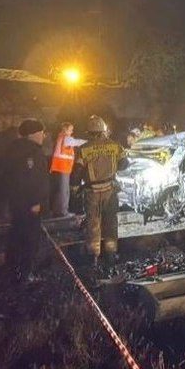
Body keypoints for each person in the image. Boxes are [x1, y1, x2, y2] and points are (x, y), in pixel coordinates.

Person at [73, 115, 128, 276]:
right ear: (104, 130)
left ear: (90, 132)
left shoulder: (84, 149)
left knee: (93, 224)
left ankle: (93, 259)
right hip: (110, 190)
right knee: (111, 223)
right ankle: (111, 256)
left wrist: (75, 188)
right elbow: (124, 164)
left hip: (92, 192)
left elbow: (77, 172)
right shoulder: (115, 146)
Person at [1, 119, 50, 283]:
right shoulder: (34, 152)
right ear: (33, 134)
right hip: (31, 205)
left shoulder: (12, 149)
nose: (44, 135)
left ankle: (12, 270)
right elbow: (36, 180)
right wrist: (37, 202)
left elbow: (7, 177)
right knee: (30, 239)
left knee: (16, 235)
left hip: (16, 202)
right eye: (42, 132)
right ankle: (26, 273)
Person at [49, 122, 86, 218]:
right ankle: (63, 212)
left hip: (60, 168)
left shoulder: (61, 138)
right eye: (70, 129)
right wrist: (89, 142)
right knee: (64, 191)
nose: (72, 131)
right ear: (65, 129)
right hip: (62, 168)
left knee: (59, 191)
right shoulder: (66, 138)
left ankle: (57, 211)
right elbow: (77, 142)